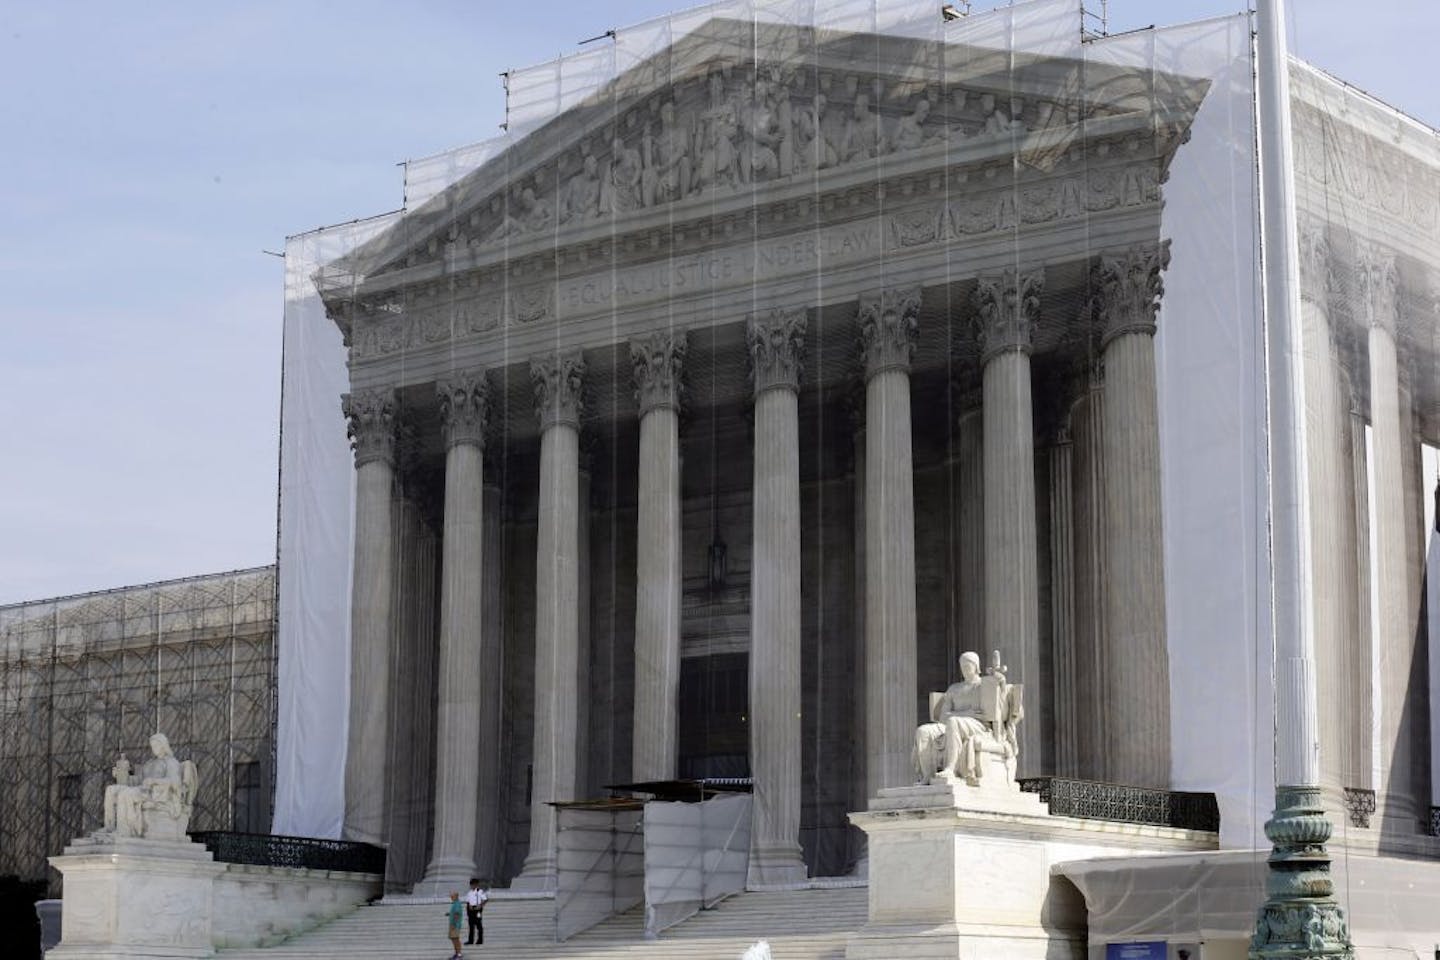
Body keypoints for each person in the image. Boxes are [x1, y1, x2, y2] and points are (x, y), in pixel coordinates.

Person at [464, 877, 489, 946]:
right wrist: (469, 907)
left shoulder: (480, 891)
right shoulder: (469, 892)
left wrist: (480, 905)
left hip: (477, 910)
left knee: (479, 925)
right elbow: (468, 901)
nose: (473, 886)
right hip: (470, 910)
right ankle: (470, 940)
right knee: (471, 926)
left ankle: (480, 940)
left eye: (474, 884)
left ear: (477, 884)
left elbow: (485, 899)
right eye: (471, 884)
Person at [445, 891, 464, 959]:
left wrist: (453, 924)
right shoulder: (455, 903)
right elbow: (455, 913)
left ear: (456, 896)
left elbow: (457, 915)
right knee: (454, 939)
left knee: (455, 939)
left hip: (455, 925)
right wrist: (450, 914)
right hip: (454, 925)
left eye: (452, 896)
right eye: (451, 896)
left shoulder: (457, 904)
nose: (451, 897)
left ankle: (458, 954)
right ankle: (457, 953)